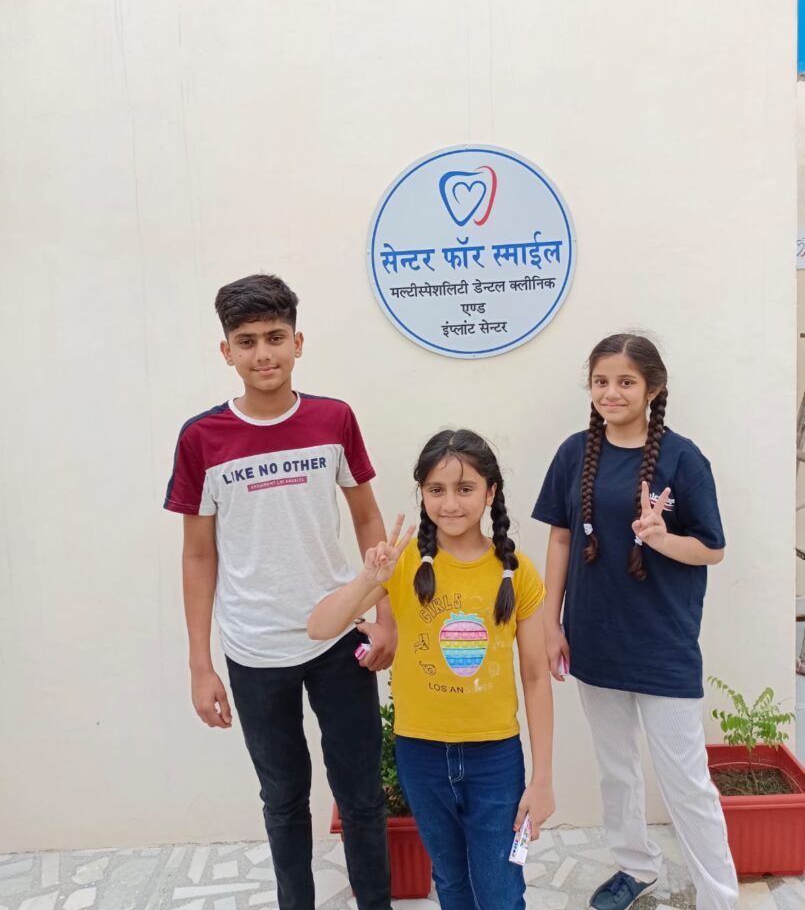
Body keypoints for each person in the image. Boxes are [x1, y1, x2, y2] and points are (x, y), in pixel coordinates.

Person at [163, 273, 395, 910]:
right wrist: (199, 663)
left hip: (340, 637)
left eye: (274, 338)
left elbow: (370, 521)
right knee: (285, 798)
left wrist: (385, 616)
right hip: (254, 650)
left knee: (361, 796)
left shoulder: (333, 419)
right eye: (246, 341)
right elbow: (198, 552)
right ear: (227, 352)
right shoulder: (201, 439)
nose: (262, 353)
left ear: (298, 341)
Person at [532, 333, 738, 910]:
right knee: (616, 769)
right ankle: (635, 866)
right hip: (593, 638)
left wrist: (662, 538)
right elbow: (560, 537)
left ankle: (720, 896)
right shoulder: (575, 452)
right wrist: (552, 624)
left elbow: (713, 549)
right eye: (601, 381)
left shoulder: (682, 457)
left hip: (661, 643)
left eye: (626, 382)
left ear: (653, 388)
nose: (611, 392)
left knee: (686, 782)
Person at [308, 428, 555, 910]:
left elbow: (534, 676)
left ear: (491, 493)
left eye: (465, 489)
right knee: (452, 882)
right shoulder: (401, 566)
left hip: (495, 759)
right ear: (421, 493)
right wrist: (368, 580)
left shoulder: (517, 572)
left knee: (501, 889)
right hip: (420, 755)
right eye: (436, 490)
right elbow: (320, 627)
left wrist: (542, 780)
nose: (450, 504)